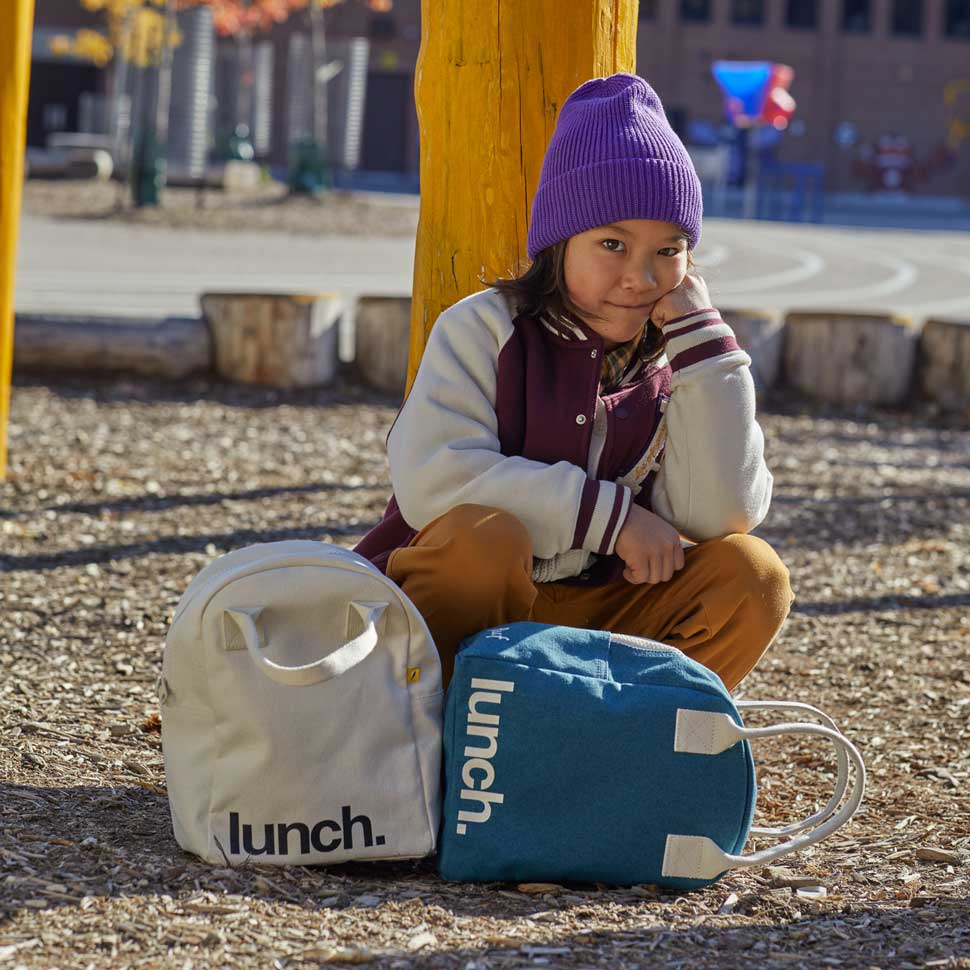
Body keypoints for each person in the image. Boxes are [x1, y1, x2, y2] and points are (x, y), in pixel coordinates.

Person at [355, 73, 794, 691]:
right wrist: (611, 520)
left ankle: (613, 755)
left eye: (668, 250)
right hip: (461, 607)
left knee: (751, 574)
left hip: (602, 608)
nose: (641, 276)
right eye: (612, 243)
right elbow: (435, 478)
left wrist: (705, 347)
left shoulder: (679, 354)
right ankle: (441, 750)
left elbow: (721, 513)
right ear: (558, 243)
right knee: (486, 537)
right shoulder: (485, 328)